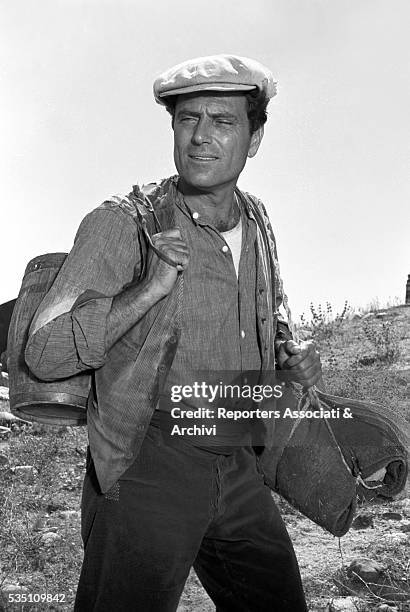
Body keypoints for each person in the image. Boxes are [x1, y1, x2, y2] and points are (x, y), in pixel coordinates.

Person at [25, 54, 322, 611]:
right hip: (150, 462)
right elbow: (45, 352)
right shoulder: (124, 222)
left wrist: (292, 357)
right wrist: (149, 288)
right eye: (188, 120)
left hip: (238, 460)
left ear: (254, 138)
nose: (201, 138)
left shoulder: (256, 220)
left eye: (223, 121)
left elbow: (270, 316)